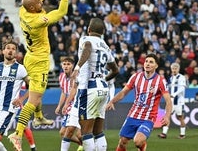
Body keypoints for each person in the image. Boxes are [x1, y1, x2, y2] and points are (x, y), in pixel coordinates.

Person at [8, 0, 73, 151]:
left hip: (29, 56)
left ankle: (38, 118)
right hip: (39, 61)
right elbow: (61, 12)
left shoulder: (24, 10)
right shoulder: (38, 21)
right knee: (34, 99)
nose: (41, 2)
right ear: (34, 7)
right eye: (39, 3)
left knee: (36, 92)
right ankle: (18, 133)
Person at [65, 17, 119, 151]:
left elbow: (88, 48)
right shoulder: (106, 46)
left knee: (86, 131)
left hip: (89, 88)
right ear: (102, 32)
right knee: (98, 131)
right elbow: (115, 70)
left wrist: (77, 67)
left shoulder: (85, 39)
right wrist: (102, 79)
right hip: (103, 88)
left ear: (89, 29)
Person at [106, 53, 173, 151]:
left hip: (148, 118)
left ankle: (142, 145)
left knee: (138, 141)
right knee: (123, 141)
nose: (147, 64)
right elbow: (124, 92)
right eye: (146, 61)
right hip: (133, 115)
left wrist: (167, 116)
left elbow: (168, 101)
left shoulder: (160, 81)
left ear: (156, 66)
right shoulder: (135, 77)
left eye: (151, 62)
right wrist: (112, 101)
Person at [54, 57, 83, 151]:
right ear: (61, 66)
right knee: (63, 133)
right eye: (64, 64)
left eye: (68, 64)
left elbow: (73, 92)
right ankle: (83, 144)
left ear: (73, 66)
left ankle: (90, 145)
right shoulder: (61, 76)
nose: (66, 66)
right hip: (69, 106)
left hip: (78, 105)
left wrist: (66, 104)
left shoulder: (77, 76)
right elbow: (64, 92)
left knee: (78, 134)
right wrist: (59, 106)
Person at [158, 62, 187, 139]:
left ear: (178, 69)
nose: (174, 70)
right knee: (167, 116)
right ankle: (164, 133)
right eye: (173, 68)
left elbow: (182, 88)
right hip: (170, 101)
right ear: (171, 69)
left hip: (179, 101)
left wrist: (174, 94)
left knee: (180, 117)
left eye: (175, 68)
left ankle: (182, 134)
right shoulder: (171, 78)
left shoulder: (181, 77)